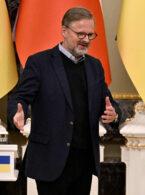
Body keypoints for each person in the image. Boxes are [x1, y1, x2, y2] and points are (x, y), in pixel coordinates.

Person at [7, 7, 121, 195]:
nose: (85, 39)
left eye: (90, 35)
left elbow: (108, 102)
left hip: (84, 162)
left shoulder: (95, 66)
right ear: (64, 31)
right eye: (80, 33)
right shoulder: (39, 63)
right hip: (50, 161)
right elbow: (19, 98)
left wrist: (114, 113)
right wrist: (16, 114)